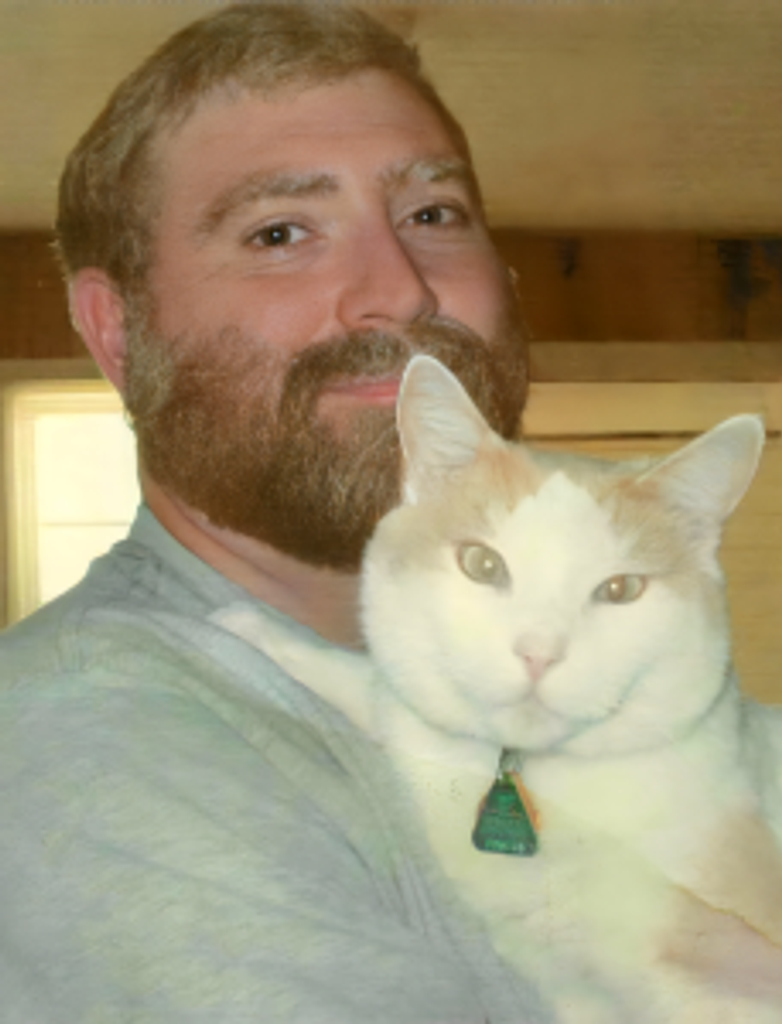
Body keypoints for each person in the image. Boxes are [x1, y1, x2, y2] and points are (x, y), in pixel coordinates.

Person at [0, 5, 538, 1021]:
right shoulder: (87, 742)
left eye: (432, 215)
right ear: (119, 333)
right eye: (280, 233)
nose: (399, 292)